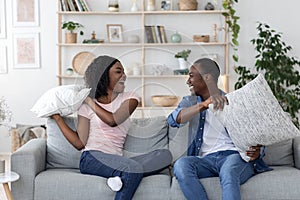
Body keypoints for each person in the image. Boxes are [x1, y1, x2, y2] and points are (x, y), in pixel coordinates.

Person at [51, 55, 172, 200]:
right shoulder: (86, 106)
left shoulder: (131, 98)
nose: (124, 76)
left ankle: (119, 176)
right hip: (92, 158)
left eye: (124, 72)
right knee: (132, 168)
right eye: (118, 71)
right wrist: (58, 119)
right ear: (103, 74)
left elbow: (113, 120)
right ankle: (123, 174)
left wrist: (90, 102)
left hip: (116, 160)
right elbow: (79, 143)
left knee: (164, 155)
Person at [167, 58, 271, 200]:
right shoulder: (189, 102)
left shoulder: (235, 101)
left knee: (228, 173)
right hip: (205, 160)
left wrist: (257, 150)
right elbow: (173, 120)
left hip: (234, 157)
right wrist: (204, 104)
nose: (188, 81)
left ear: (207, 77)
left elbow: (257, 134)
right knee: (181, 165)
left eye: (191, 76)